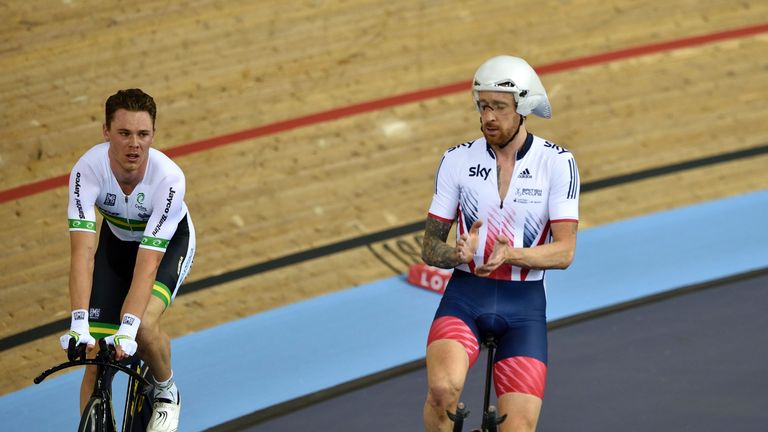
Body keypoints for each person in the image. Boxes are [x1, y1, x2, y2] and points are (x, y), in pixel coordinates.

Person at [421, 56, 579, 432]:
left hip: (523, 309)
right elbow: (429, 246)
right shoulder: (457, 160)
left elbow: (564, 251)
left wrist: (511, 255)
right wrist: (454, 253)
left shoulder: (557, 163)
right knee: (443, 389)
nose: (489, 116)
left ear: (523, 109)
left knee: (518, 428)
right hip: (465, 298)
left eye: (500, 107)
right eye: (483, 106)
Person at [61, 88, 195, 432]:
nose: (134, 144)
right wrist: (78, 323)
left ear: (153, 134)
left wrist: (129, 329)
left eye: (143, 134)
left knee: (145, 327)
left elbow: (147, 265)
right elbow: (82, 255)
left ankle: (167, 391)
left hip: (166, 246)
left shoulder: (168, 179)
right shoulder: (87, 170)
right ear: (106, 132)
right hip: (116, 243)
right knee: (94, 355)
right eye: (124, 133)